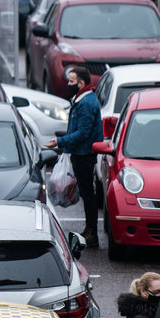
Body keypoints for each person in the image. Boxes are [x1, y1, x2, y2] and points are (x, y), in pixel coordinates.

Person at [47, 66, 102, 247]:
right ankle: (90, 229)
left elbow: (83, 133)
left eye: (71, 81)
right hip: (80, 153)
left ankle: (92, 232)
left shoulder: (86, 103)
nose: (68, 84)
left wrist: (60, 141)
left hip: (84, 154)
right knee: (87, 194)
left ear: (81, 83)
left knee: (88, 194)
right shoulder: (81, 99)